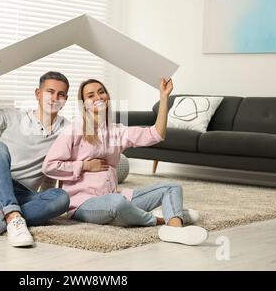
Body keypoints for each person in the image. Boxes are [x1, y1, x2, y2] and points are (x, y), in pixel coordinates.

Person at [42, 78, 208, 246]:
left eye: (101, 92)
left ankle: (174, 229)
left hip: (113, 194)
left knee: (171, 188)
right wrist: (84, 166)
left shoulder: (116, 131)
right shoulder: (74, 129)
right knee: (117, 204)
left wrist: (164, 97)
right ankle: (161, 219)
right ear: (84, 104)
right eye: (91, 95)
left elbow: (156, 134)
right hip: (83, 203)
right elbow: (49, 166)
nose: (98, 97)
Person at [0, 58, 70, 247]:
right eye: (50, 92)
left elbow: (53, 168)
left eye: (60, 95)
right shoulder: (14, 116)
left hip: (21, 194)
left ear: (65, 100)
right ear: (38, 93)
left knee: (61, 197)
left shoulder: (66, 130)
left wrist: (47, 200)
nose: (54, 98)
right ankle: (12, 217)